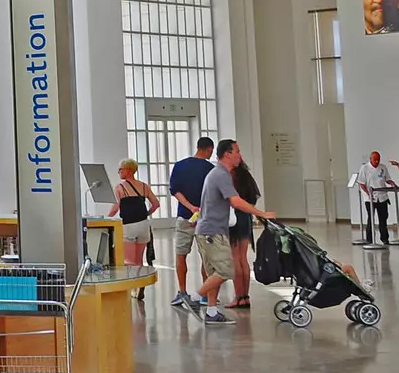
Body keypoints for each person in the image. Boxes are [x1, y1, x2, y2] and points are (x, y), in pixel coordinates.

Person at [182, 139, 278, 324]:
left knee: (213, 274)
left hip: (209, 230)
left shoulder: (216, 174)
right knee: (226, 271)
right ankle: (193, 298)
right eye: (237, 151)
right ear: (227, 154)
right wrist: (262, 214)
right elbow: (236, 201)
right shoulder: (221, 174)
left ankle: (211, 312)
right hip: (212, 232)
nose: (240, 155)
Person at [167, 137, 215, 308]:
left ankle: (182, 291)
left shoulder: (180, 165)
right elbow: (212, 195)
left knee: (181, 255)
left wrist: (189, 207)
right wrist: (200, 210)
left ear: (197, 147)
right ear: (209, 149)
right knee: (206, 257)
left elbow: (175, 190)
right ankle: (205, 294)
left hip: (184, 217)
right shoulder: (211, 169)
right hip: (205, 219)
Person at [115, 159, 161, 274]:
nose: (118, 172)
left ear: (128, 170)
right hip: (144, 225)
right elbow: (156, 204)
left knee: (129, 261)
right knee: (139, 260)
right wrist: (146, 213)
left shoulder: (120, 187)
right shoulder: (144, 186)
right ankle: (140, 289)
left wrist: (106, 217)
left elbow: (116, 206)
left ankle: (132, 289)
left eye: (120, 169)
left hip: (128, 226)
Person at [228, 157, 262, 308]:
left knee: (235, 258)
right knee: (243, 258)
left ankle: (238, 296)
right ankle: (245, 297)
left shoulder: (229, 177)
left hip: (233, 219)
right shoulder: (246, 176)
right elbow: (253, 199)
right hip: (246, 218)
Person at [356, 150, 399, 245]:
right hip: (370, 198)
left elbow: (387, 179)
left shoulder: (383, 167)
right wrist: (368, 193)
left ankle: (385, 239)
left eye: (378, 160)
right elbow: (362, 183)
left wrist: (392, 183)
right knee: (371, 218)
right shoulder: (364, 168)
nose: (377, 162)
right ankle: (369, 239)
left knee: (383, 218)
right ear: (370, 159)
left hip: (382, 197)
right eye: (375, 160)